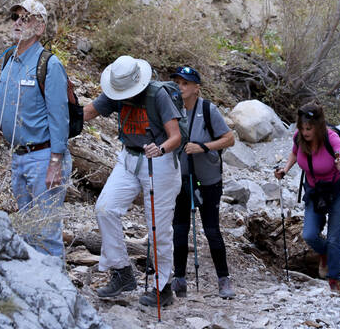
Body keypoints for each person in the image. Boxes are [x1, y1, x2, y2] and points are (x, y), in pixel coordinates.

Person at [0, 0, 72, 258]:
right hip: (19, 157)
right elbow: (2, 105)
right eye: (16, 17)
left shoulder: (49, 65)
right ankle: (34, 289)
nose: (19, 22)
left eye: (26, 18)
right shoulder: (10, 60)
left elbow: (59, 118)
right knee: (27, 230)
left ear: (40, 27)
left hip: (44, 157)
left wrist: (56, 162)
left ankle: (57, 293)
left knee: (46, 232)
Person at [82, 56, 184, 307]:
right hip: (128, 158)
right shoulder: (115, 91)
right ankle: (122, 272)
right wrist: (60, 115)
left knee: (157, 228)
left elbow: (176, 137)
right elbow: (88, 112)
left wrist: (159, 149)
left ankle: (163, 287)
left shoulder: (157, 94)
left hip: (158, 162)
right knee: (105, 209)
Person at [169, 65, 236, 299]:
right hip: (182, 178)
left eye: (185, 83)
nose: (180, 87)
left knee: (211, 229)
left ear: (196, 88)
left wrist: (204, 146)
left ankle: (223, 279)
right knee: (179, 229)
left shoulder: (208, 109)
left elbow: (229, 139)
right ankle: (179, 279)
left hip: (208, 179)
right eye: (177, 82)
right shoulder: (172, 110)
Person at [274, 103, 340, 295]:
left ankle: (334, 281)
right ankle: (324, 254)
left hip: (336, 190)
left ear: (318, 126)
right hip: (314, 191)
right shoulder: (299, 138)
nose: (305, 132)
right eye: (302, 128)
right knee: (309, 235)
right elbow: (294, 152)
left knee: (334, 239)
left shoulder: (331, 138)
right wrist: (285, 169)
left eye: (309, 128)